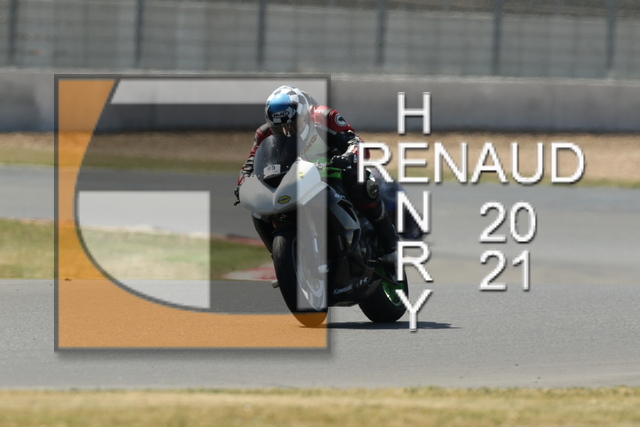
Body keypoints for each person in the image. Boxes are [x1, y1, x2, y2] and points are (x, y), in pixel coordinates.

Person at [234, 85, 397, 264]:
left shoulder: (324, 117)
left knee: (361, 185)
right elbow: (250, 163)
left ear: (305, 116)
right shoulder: (263, 133)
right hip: (292, 177)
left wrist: (347, 157)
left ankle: (390, 246)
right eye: (279, 130)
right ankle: (282, 257)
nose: (287, 132)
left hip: (331, 169)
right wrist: (243, 182)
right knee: (259, 211)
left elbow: (356, 142)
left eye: (293, 126)